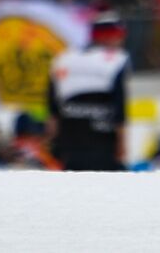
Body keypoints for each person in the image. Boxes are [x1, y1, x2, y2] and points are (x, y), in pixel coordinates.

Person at [47, 11, 129, 171]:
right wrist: (122, 146)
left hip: (69, 146)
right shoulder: (117, 60)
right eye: (118, 35)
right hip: (103, 145)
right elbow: (120, 111)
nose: (120, 40)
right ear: (106, 36)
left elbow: (53, 111)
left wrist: (53, 145)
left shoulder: (63, 58)